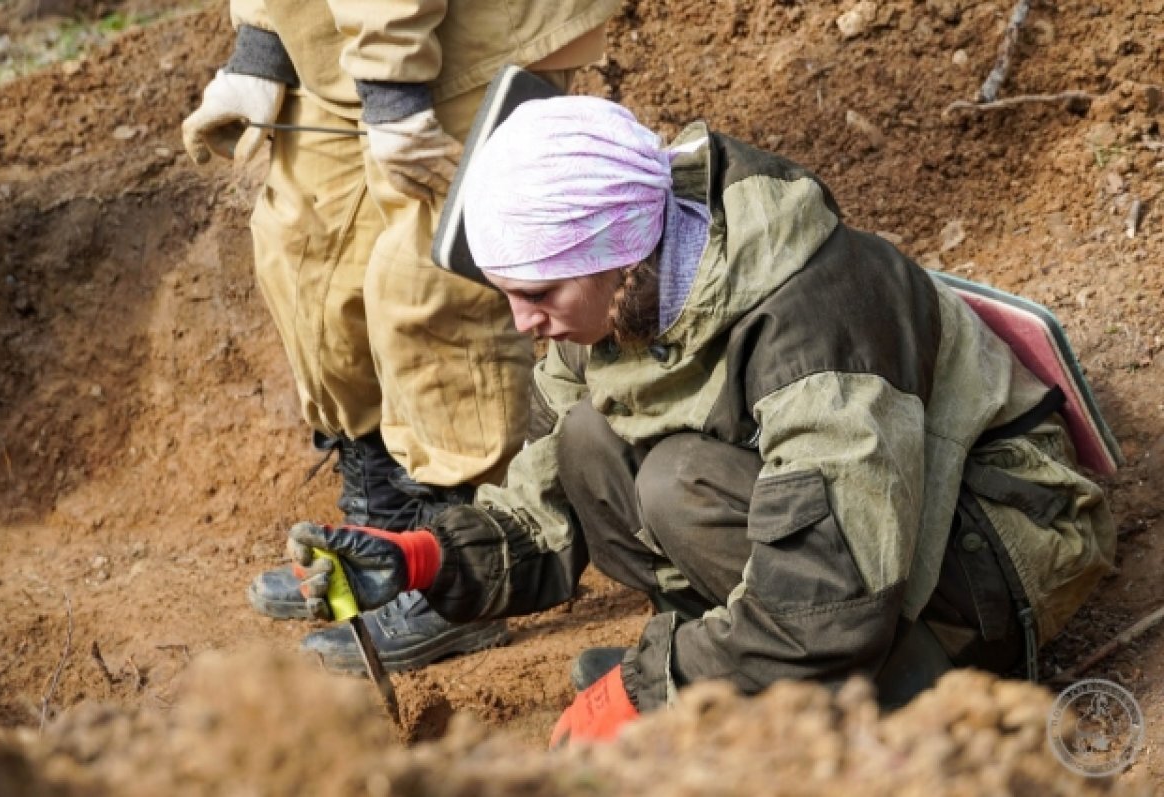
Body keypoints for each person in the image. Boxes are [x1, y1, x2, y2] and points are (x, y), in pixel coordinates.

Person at [285, 96, 1117, 745]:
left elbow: (832, 592)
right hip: (859, 548)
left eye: (536, 293)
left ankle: (899, 698)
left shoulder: (813, 320)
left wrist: (650, 687)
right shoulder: (617, 289)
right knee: (590, 444)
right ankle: (730, 664)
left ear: (616, 256)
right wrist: (428, 557)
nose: (521, 322)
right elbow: (550, 509)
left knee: (675, 484)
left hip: (992, 551)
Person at [180, 1, 619, 672]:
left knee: (430, 283)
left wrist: (392, 90)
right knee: (308, 252)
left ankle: (458, 564)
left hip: (461, 32)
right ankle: (381, 527)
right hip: (343, 34)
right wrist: (261, 40)